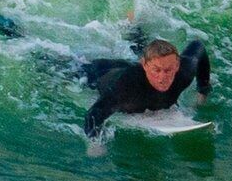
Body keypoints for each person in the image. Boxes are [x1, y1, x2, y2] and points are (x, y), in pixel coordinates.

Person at [77, 33, 211, 142]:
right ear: (144, 65)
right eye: (156, 70)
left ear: (177, 65)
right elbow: (94, 114)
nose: (162, 77)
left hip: (127, 66)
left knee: (138, 48)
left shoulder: (184, 71)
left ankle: (135, 29)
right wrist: (95, 144)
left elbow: (198, 46)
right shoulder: (126, 87)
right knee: (65, 67)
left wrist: (203, 91)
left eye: (168, 70)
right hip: (98, 72)